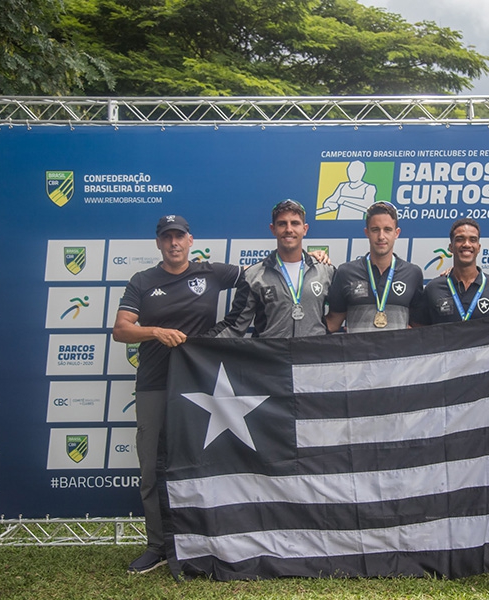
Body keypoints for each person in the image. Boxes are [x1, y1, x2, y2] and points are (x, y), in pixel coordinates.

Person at [112, 215, 244, 574]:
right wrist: (155, 331)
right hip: (155, 384)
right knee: (152, 468)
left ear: (190, 240)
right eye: (166, 237)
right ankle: (157, 546)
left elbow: (263, 277)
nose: (173, 243)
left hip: (202, 385)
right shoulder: (142, 281)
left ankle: (209, 540)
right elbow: (121, 330)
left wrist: (316, 259)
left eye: (179, 236)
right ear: (158, 243)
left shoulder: (212, 272)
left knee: (207, 465)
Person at [210, 199, 335, 338]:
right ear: (273, 229)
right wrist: (194, 346)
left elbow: (339, 314)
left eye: (295, 223)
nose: (289, 229)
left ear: (305, 229)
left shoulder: (326, 271)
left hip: (311, 356)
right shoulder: (253, 275)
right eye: (282, 224)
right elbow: (234, 325)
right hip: (269, 357)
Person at [326, 201, 423, 332]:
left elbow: (420, 328)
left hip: (397, 353)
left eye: (387, 230)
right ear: (367, 232)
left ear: (397, 233)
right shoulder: (346, 272)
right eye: (375, 230)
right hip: (357, 352)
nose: (381, 236)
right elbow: (332, 323)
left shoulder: (413, 273)